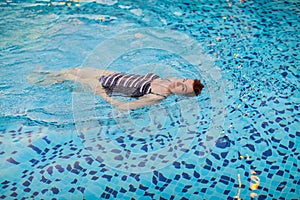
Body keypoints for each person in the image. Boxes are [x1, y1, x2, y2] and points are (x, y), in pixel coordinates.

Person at [29, 67, 204, 110]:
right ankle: (42, 74)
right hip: (112, 74)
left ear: (180, 95)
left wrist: (102, 95)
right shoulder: (169, 80)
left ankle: (35, 83)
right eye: (183, 80)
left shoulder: (158, 96)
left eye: (182, 88)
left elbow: (122, 106)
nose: (178, 83)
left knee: (69, 78)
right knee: (72, 70)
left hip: (105, 85)